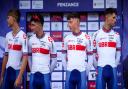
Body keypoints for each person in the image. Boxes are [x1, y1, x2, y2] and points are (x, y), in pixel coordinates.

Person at [62, 13, 93, 89]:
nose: (68, 25)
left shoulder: (87, 38)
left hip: (82, 73)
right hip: (70, 73)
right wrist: (67, 70)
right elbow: (63, 58)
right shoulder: (66, 38)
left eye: (70, 22)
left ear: (77, 21)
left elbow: (91, 58)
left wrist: (85, 73)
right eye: (68, 22)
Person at [92, 8, 121, 89]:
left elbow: (118, 54)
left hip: (112, 69)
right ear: (107, 17)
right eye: (113, 17)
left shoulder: (116, 35)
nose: (115, 20)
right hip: (100, 70)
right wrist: (97, 67)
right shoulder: (96, 34)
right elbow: (93, 55)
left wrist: (114, 65)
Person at [0, 9, 28, 89]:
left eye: (8, 18)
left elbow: (25, 59)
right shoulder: (8, 35)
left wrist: (19, 76)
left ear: (14, 18)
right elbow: (6, 56)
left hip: (17, 72)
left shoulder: (23, 36)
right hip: (8, 72)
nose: (7, 20)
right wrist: (2, 76)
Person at [28, 13, 57, 89]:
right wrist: (32, 70)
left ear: (40, 25)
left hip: (45, 75)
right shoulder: (30, 40)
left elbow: (54, 60)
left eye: (33, 25)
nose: (31, 27)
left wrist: (48, 72)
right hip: (33, 75)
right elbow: (29, 57)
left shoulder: (50, 40)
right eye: (31, 25)